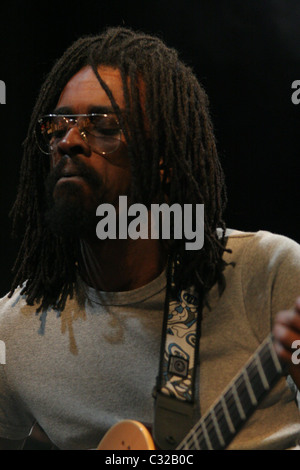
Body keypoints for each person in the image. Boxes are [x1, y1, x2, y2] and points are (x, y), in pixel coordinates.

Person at [0, 26, 300, 451]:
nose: (69, 141)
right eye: (59, 125)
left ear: (163, 160)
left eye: (103, 125)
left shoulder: (268, 274)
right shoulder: (17, 331)